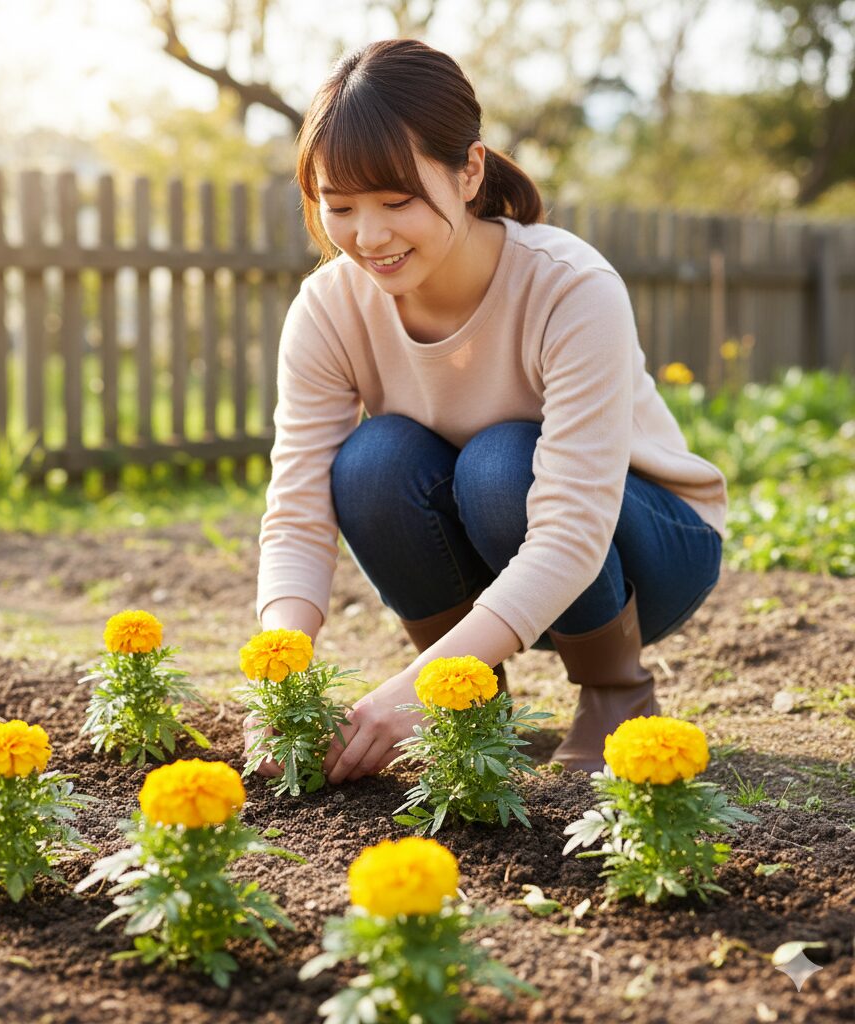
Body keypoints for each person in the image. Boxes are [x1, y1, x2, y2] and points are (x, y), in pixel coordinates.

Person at [243, 38, 726, 782]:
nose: (368, 236)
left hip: (646, 548)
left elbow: (573, 526)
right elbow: (297, 513)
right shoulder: (329, 309)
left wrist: (414, 685)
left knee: (501, 462)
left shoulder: (569, 287)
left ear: (469, 171)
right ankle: (471, 704)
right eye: (339, 207)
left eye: (396, 201)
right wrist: (281, 680)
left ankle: (615, 689)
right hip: (500, 548)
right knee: (372, 462)